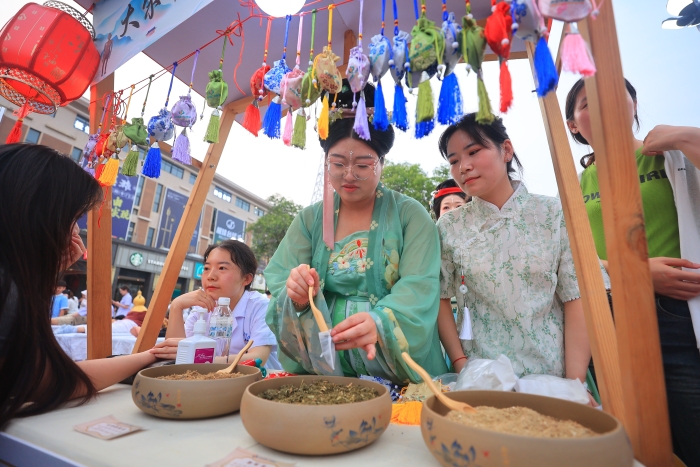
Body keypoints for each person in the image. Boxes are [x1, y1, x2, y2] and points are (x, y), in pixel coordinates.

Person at [264, 81, 448, 384]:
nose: (348, 174)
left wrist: (380, 323)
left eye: (363, 164)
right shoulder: (310, 219)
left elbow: (420, 285)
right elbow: (282, 275)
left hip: (396, 365)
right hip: (325, 365)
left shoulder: (409, 215)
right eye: (337, 163)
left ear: (382, 164)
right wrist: (295, 293)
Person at [565, 78, 700, 465]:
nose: (604, 105)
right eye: (588, 103)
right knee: (634, 442)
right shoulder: (577, 185)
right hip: (612, 316)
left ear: (634, 104)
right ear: (573, 124)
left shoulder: (670, 155)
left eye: (614, 95)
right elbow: (577, 256)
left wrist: (680, 134)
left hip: (678, 317)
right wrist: (632, 271)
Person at [0, 144, 163, 427]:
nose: (76, 233)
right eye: (74, 219)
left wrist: (147, 357)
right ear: (37, 217)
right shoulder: (8, 291)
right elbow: (43, 381)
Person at [435, 114, 595, 402]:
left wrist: (574, 383)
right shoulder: (449, 226)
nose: (464, 167)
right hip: (480, 377)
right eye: (454, 160)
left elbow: (577, 297)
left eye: (473, 152)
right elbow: (440, 298)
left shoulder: (554, 213)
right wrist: (461, 364)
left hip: (553, 375)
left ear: (506, 150)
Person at [151, 240, 280, 368]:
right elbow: (176, 353)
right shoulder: (202, 307)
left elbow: (257, 359)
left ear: (246, 279)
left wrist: (197, 357)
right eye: (206, 268)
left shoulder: (261, 306)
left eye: (222, 268)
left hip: (253, 384)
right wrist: (176, 306)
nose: (210, 276)